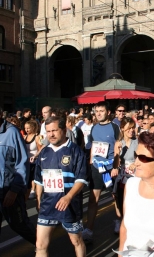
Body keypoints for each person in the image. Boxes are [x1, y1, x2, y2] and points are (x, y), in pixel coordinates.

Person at [0, 99, 36, 256]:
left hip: (8, 193)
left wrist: (15, 190)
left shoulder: (12, 133)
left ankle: (42, 247)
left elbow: (22, 164)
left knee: (20, 225)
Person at [34, 116, 88, 257]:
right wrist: (38, 199)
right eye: (48, 131)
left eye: (54, 130)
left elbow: (81, 179)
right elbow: (39, 180)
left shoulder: (76, 151)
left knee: (76, 241)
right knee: (40, 245)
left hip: (69, 205)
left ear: (64, 130)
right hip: (47, 205)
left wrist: (68, 197)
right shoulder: (44, 152)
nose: (51, 134)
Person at [83, 101, 120, 242]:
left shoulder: (114, 127)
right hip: (97, 167)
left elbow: (118, 146)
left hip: (110, 168)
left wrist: (116, 167)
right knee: (93, 199)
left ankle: (118, 221)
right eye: (96, 111)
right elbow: (92, 145)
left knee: (115, 196)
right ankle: (89, 230)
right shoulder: (93, 127)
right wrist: (91, 161)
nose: (98, 113)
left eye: (101, 111)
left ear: (108, 112)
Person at [112, 117, 138, 234]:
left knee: (134, 203)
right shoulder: (118, 143)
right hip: (122, 177)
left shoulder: (137, 142)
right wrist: (118, 153)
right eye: (128, 128)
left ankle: (133, 226)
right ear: (122, 129)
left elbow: (141, 159)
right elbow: (115, 165)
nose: (131, 131)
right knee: (122, 202)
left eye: (133, 128)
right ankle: (123, 223)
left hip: (135, 177)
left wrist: (135, 163)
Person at [24, 120, 43, 200]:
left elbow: (41, 148)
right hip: (26, 161)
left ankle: (33, 190)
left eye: (28, 128)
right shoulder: (25, 137)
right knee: (27, 177)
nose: (26, 130)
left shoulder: (37, 137)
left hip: (35, 161)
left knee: (33, 177)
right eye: (25, 128)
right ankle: (28, 192)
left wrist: (35, 156)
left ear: (33, 128)